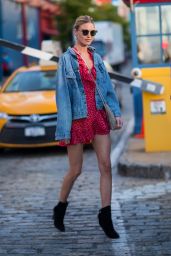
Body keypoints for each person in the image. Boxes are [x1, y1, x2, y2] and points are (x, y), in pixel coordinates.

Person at [53, 15, 123, 239]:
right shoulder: (66, 60)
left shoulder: (97, 57)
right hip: (77, 118)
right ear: (76, 32)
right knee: (76, 170)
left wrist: (116, 111)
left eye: (93, 32)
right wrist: (64, 127)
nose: (89, 36)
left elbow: (106, 87)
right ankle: (60, 207)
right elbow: (62, 95)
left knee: (106, 166)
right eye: (85, 32)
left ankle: (105, 216)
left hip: (99, 115)